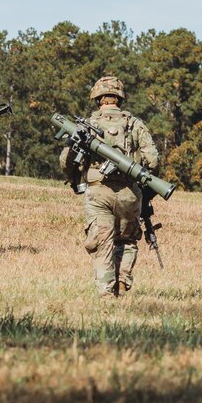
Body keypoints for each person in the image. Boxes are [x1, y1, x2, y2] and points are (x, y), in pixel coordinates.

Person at [60, 76, 160, 297]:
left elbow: (65, 159)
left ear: (97, 99)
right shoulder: (135, 124)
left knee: (102, 242)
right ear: (120, 99)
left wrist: (76, 178)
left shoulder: (86, 126)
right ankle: (122, 280)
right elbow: (153, 161)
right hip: (129, 193)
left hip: (98, 192)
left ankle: (105, 293)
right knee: (127, 240)